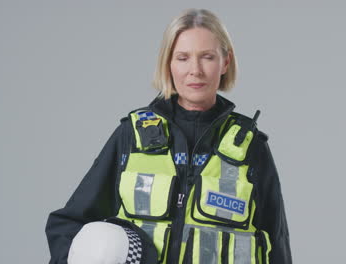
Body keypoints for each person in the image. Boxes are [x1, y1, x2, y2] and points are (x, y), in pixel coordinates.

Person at [45, 8, 292, 264]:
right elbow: (67, 223)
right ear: (168, 63)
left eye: (207, 57)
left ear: (225, 62)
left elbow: (277, 244)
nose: (194, 70)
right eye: (182, 57)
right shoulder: (132, 136)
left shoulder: (250, 146)